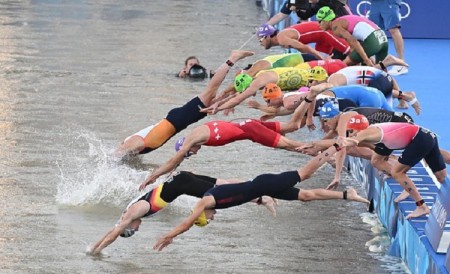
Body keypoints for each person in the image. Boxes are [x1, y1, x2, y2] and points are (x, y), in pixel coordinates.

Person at [153, 143, 370, 251]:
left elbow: (186, 223)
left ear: (202, 215)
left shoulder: (206, 201)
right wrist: (262, 199)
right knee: (306, 196)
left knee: (305, 173)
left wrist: (169, 235)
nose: (212, 219)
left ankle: (336, 145)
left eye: (208, 220)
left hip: (265, 183)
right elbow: (237, 191)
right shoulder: (212, 201)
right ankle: (346, 195)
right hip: (262, 188)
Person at [139, 94, 319, 190]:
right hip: (247, 123)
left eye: (190, 153)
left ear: (185, 146)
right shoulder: (198, 132)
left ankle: (323, 153)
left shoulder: (192, 139)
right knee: (291, 126)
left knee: (289, 145)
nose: (194, 153)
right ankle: (311, 102)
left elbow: (173, 161)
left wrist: (153, 176)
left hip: (250, 130)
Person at [87, 171, 277, 255]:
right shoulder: (129, 215)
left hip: (183, 184)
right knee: (224, 183)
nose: (137, 229)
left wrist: (98, 251)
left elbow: (115, 232)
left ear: (129, 225)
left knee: (223, 193)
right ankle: (259, 186)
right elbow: (114, 229)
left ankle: (262, 198)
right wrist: (93, 247)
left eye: (133, 230)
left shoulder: (137, 210)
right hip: (182, 179)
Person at [114, 50, 254, 158]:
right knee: (214, 103)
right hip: (177, 121)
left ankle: (233, 58)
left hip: (176, 121)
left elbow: (127, 148)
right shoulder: (135, 147)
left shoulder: (133, 143)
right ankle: (243, 87)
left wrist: (112, 159)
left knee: (210, 92)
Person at [338, 114, 447, 219]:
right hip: (427, 135)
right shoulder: (372, 132)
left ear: (358, 129)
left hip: (420, 139)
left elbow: (350, 142)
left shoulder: (366, 132)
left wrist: (335, 144)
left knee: (398, 172)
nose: (349, 134)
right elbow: (372, 150)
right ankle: (404, 184)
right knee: (441, 177)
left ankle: (421, 206)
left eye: (350, 131)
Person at [327, 64, 420, 113]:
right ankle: (406, 95)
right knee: (389, 113)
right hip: (384, 78)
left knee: (374, 113)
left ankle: (405, 96)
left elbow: (335, 101)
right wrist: (401, 98)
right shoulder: (338, 77)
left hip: (377, 81)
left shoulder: (333, 82)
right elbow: (389, 78)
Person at [316, 6, 389, 67]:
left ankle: (391, 60)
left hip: (373, 41)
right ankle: (390, 62)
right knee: (381, 69)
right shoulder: (343, 20)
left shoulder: (336, 27)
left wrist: (366, 60)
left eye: (320, 21)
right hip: (383, 38)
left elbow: (354, 41)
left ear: (327, 20)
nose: (318, 24)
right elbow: (354, 45)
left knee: (344, 64)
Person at [257, 22, 350, 60]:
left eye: (261, 39)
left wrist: (321, 57)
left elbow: (303, 47)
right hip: (320, 39)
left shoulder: (281, 39)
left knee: (351, 52)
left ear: (268, 36)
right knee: (323, 66)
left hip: (324, 32)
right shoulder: (282, 37)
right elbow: (303, 49)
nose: (260, 43)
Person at [369, 0, 408, 76]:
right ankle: (377, 62)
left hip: (389, 2)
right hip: (375, 3)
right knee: (374, 30)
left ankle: (401, 63)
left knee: (393, 29)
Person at [266, 0, 351, 26]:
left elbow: (343, 6)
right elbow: (281, 15)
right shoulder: (294, 1)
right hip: (329, 27)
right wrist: (266, 26)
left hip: (343, 21)